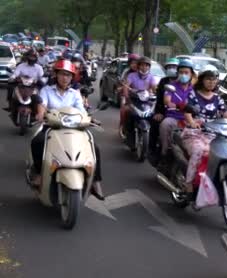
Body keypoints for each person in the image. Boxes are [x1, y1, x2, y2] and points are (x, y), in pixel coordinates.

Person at [30, 60, 104, 199]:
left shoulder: (75, 93)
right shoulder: (47, 90)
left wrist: (90, 119)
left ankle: (95, 181)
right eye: (62, 74)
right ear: (56, 75)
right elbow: (42, 105)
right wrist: (40, 114)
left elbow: (81, 111)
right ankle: (39, 173)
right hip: (52, 127)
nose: (65, 78)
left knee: (95, 148)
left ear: (72, 78)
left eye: (68, 75)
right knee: (37, 142)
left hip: (74, 128)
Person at [180, 66, 227, 196]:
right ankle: (189, 182)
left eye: (214, 79)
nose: (211, 82)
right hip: (194, 133)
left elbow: (226, 112)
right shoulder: (193, 94)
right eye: (208, 79)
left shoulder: (217, 98)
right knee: (198, 151)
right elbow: (187, 111)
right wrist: (192, 122)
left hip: (213, 134)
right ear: (202, 80)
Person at [159, 59, 195, 162]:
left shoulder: (194, 89)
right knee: (165, 124)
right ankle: (165, 153)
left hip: (190, 120)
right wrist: (178, 105)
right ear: (177, 73)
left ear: (191, 74)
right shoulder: (172, 86)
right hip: (174, 118)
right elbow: (167, 101)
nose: (183, 74)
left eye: (186, 72)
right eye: (181, 72)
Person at [148, 58, 180, 163]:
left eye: (174, 67)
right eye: (169, 67)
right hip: (165, 112)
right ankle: (154, 150)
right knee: (154, 122)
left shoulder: (187, 84)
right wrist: (159, 112)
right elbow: (160, 100)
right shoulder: (163, 81)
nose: (172, 69)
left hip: (181, 114)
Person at [122, 56, 158, 149]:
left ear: (149, 67)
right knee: (127, 112)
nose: (144, 67)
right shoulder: (131, 75)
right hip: (133, 100)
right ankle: (128, 135)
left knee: (154, 116)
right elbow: (126, 86)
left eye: (146, 66)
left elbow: (154, 88)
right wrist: (127, 97)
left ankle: (154, 141)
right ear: (138, 66)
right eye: (142, 65)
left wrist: (157, 93)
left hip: (146, 102)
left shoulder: (151, 77)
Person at [118, 53, 140, 135]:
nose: (134, 65)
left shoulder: (142, 72)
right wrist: (123, 89)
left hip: (140, 96)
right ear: (129, 63)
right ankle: (123, 126)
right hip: (128, 95)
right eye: (132, 63)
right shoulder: (126, 72)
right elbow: (123, 83)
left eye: (136, 63)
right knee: (124, 110)